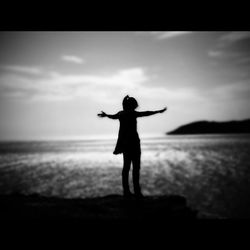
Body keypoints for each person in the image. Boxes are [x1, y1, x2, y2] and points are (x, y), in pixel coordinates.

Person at [98, 95, 167, 198]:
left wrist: (106, 115)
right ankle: (137, 192)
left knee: (126, 168)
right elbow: (146, 113)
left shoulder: (121, 114)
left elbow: (112, 116)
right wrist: (158, 111)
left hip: (125, 144)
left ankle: (126, 191)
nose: (135, 107)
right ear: (131, 106)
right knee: (135, 168)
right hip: (134, 143)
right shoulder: (132, 113)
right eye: (134, 106)